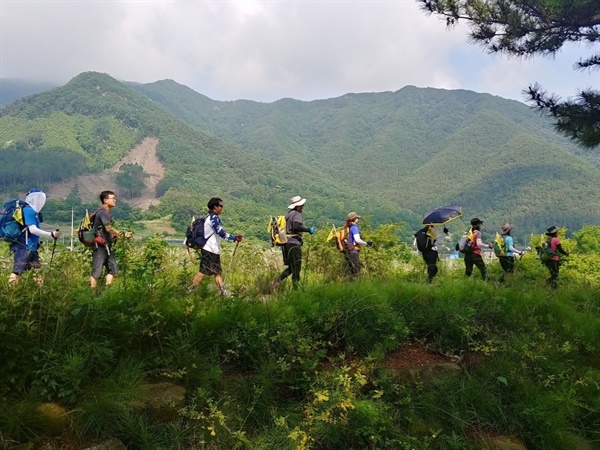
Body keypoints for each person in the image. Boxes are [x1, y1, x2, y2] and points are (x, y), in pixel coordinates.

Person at [191, 197, 242, 295]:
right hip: (209, 249)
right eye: (220, 206)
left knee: (217, 272)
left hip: (213, 250)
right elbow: (220, 232)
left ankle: (222, 291)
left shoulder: (210, 217)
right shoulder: (213, 218)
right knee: (203, 272)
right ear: (215, 207)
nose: (222, 208)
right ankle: (190, 290)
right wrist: (234, 238)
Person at [8, 188, 60, 283]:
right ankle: (9, 294)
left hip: (32, 248)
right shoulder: (28, 210)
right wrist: (51, 234)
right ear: (36, 198)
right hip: (24, 248)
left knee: (37, 271)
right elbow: (33, 229)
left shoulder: (34, 213)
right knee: (17, 271)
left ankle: (40, 294)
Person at [89, 190, 132, 288]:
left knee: (113, 269)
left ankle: (107, 292)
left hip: (107, 246)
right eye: (112, 198)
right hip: (100, 247)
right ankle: (91, 295)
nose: (115, 200)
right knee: (96, 271)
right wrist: (122, 234)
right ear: (105, 200)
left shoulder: (105, 213)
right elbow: (108, 228)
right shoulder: (103, 213)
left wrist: (116, 236)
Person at [273, 195, 316, 290]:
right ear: (298, 206)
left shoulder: (289, 214)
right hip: (294, 243)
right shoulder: (296, 214)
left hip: (287, 243)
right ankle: (295, 289)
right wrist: (308, 230)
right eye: (302, 205)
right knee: (296, 267)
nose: (303, 207)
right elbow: (296, 226)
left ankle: (276, 282)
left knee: (292, 267)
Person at [344, 212, 373, 279]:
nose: (358, 219)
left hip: (347, 252)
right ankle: (356, 286)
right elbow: (357, 240)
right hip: (353, 252)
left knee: (351, 271)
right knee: (356, 272)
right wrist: (366, 244)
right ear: (354, 219)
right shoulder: (354, 228)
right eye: (357, 218)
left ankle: (350, 286)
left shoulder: (347, 227)